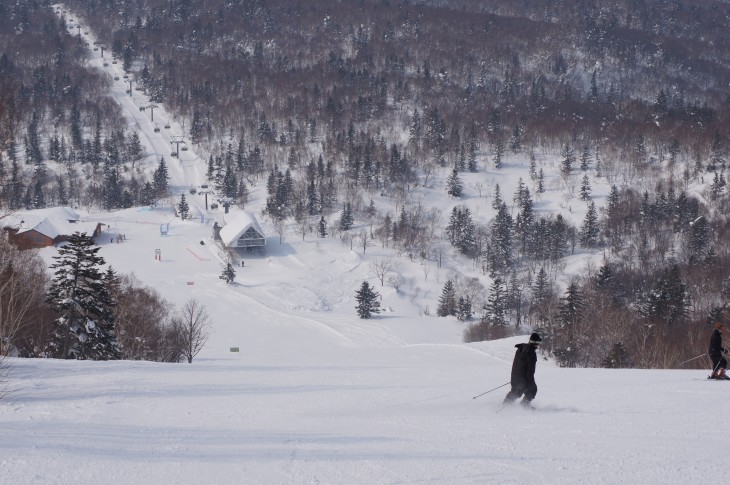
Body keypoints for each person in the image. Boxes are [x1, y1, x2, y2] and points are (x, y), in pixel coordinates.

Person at [503, 332, 542, 407]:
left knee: (515, 392)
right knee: (532, 389)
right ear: (536, 343)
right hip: (523, 378)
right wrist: (531, 382)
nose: (539, 345)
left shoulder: (522, 349)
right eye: (539, 343)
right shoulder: (531, 354)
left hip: (515, 376)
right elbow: (530, 371)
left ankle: (505, 403)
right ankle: (524, 405)